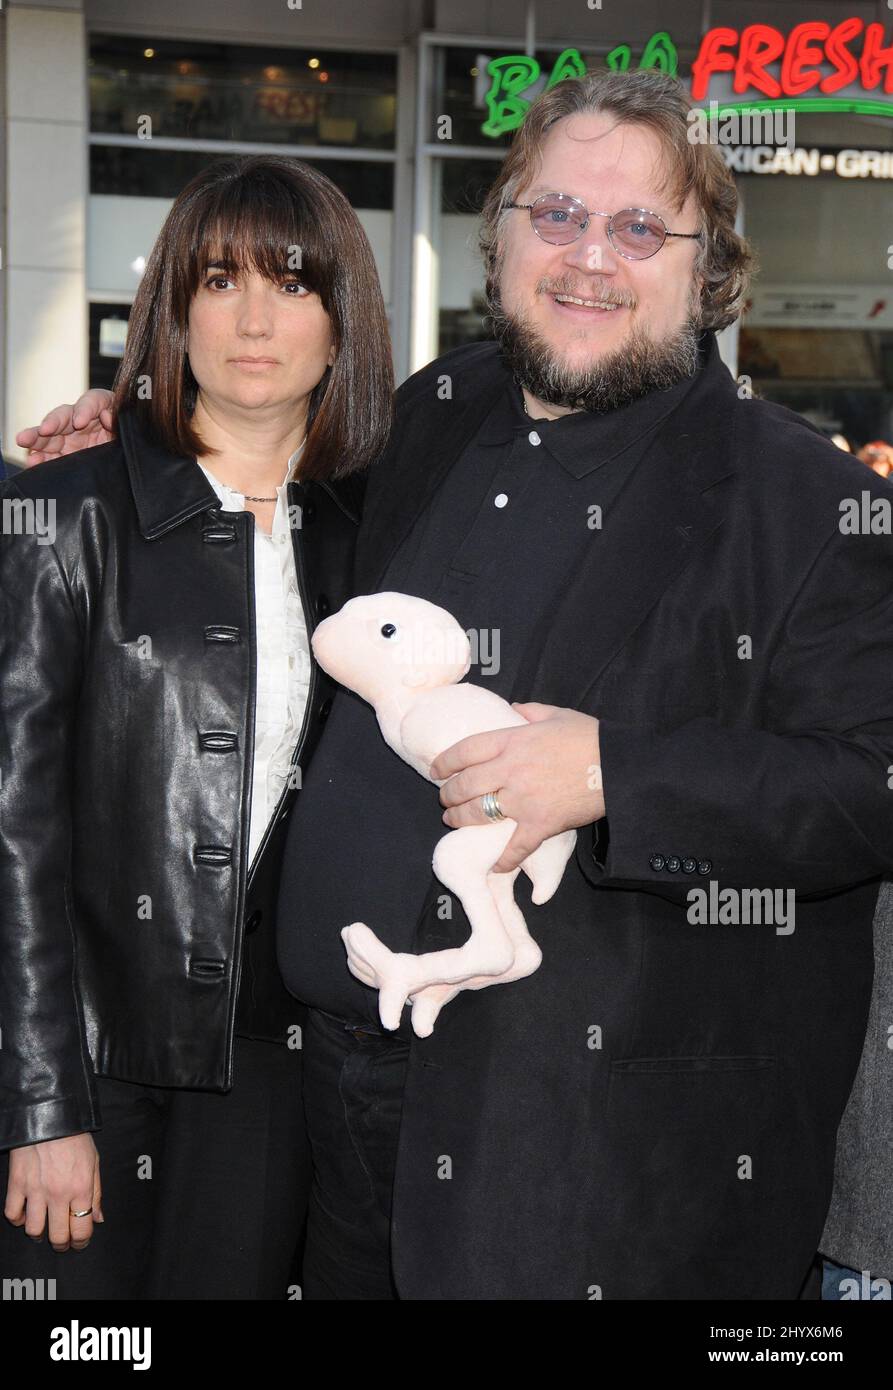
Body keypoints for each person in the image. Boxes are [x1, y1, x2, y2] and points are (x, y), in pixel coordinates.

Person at [23, 68, 893, 1301]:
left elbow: (869, 782)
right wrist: (136, 441)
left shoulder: (808, 503)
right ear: (501, 236)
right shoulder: (425, 414)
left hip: (592, 1173)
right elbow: (271, 509)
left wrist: (609, 774)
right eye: (556, 214)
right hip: (335, 1125)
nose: (590, 256)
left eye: (639, 226)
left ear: (706, 266)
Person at [0, 153, 392, 1299]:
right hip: (91, 1053)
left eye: (290, 281)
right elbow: (13, 831)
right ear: (172, 310)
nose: (254, 317)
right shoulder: (66, 511)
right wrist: (38, 1102)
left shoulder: (375, 533)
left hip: (272, 1065)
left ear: (341, 319)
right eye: (218, 281)